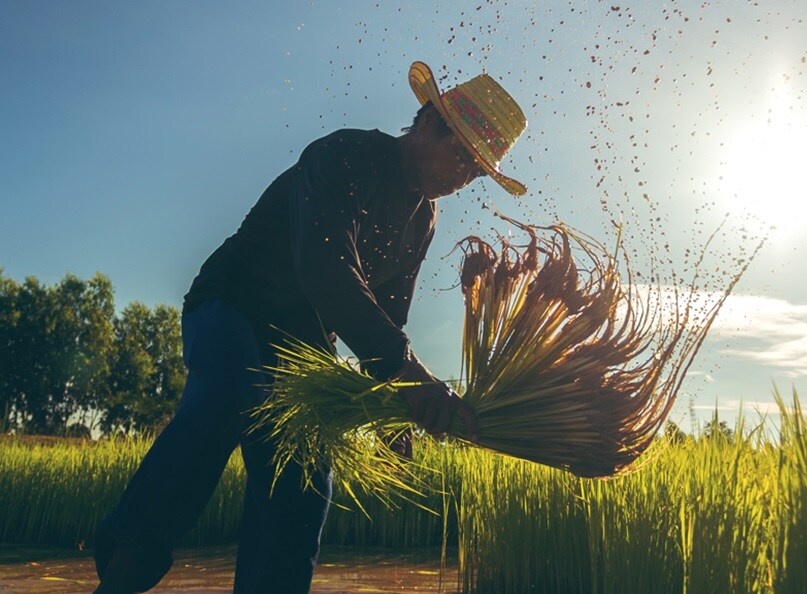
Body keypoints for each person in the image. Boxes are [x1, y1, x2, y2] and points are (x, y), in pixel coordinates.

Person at [93, 61, 527, 594]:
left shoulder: (424, 220)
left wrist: (395, 410)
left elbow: (390, 315)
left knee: (303, 477)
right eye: (462, 155)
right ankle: (123, 571)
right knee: (231, 393)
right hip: (232, 305)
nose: (464, 177)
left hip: (302, 347)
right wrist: (411, 375)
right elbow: (326, 269)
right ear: (430, 123)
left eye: (477, 172)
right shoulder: (345, 155)